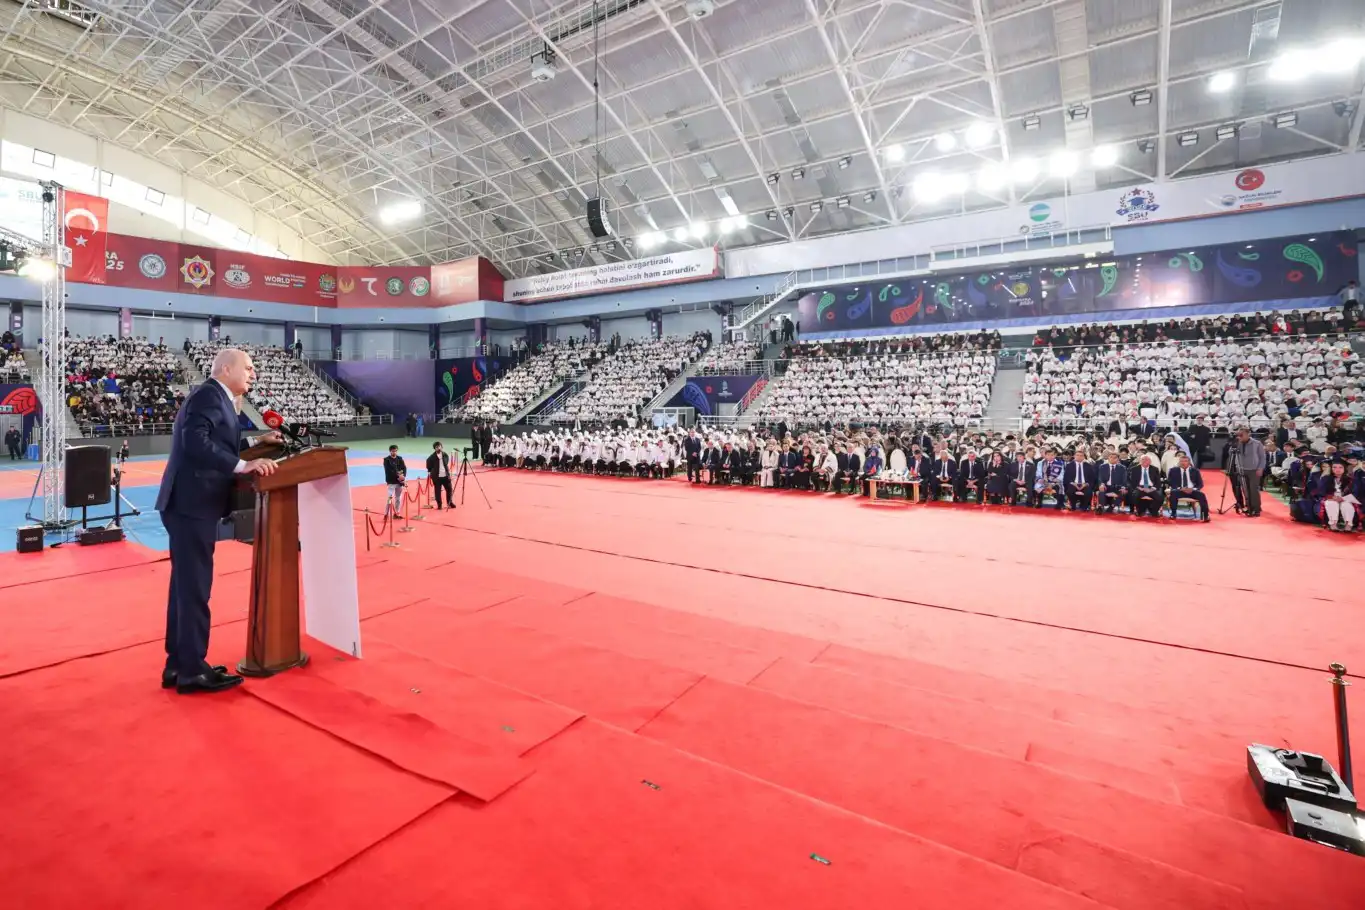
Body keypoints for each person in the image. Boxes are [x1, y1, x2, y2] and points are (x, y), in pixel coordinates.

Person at [156, 348, 281, 695]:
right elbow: (195, 442)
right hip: (191, 506)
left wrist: (257, 442)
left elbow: (220, 440)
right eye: (248, 367)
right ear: (226, 369)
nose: (253, 373)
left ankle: (178, 665)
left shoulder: (218, 397)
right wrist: (244, 466)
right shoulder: (210, 395)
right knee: (195, 589)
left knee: (185, 589)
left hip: (187, 505)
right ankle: (193, 670)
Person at [1230, 426, 1265, 516]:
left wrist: (1260, 468)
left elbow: (1262, 457)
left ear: (1248, 434)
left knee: (1253, 489)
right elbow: (1231, 453)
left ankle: (1256, 509)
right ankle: (1249, 506)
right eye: (1239, 434)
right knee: (1245, 489)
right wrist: (1235, 443)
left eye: (1242, 434)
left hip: (1254, 469)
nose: (1241, 436)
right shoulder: (1238, 443)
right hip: (1241, 469)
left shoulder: (1257, 443)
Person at [1317, 460, 1359, 531]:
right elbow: (1321, 491)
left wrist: (1344, 498)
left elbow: (1355, 492)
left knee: (1346, 505)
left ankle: (1348, 524)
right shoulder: (1325, 478)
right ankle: (1333, 524)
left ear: (1344, 468)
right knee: (1331, 503)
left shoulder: (1350, 479)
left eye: (1340, 467)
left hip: (1346, 498)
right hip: (1331, 498)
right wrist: (1331, 497)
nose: (1337, 470)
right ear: (1331, 468)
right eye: (1334, 467)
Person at [1167, 453, 1210, 522]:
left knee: (1202, 495)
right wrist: (1180, 488)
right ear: (1179, 462)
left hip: (1192, 490)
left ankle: (1205, 515)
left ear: (1189, 462)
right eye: (1181, 461)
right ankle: (1173, 513)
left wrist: (1193, 489)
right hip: (1179, 490)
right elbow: (1170, 482)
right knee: (1173, 493)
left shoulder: (1195, 471)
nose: (1183, 463)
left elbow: (1200, 484)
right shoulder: (1173, 470)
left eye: (1185, 461)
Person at [427, 441, 454, 509]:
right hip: (437, 477)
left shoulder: (445, 455)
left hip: (445, 476)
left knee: (449, 489)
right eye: (436, 447)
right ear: (434, 448)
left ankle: (449, 503)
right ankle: (439, 505)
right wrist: (432, 471)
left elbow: (446, 463)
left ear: (442, 447)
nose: (438, 448)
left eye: (439, 446)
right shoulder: (431, 457)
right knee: (437, 492)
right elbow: (428, 465)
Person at [383, 444, 407, 515]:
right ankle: (386, 513)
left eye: (395, 451)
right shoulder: (386, 460)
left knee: (398, 498)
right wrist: (399, 476)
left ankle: (397, 513)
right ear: (390, 451)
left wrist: (403, 476)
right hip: (391, 482)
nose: (394, 453)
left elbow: (404, 468)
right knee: (390, 498)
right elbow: (388, 471)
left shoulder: (400, 458)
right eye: (393, 451)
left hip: (399, 482)